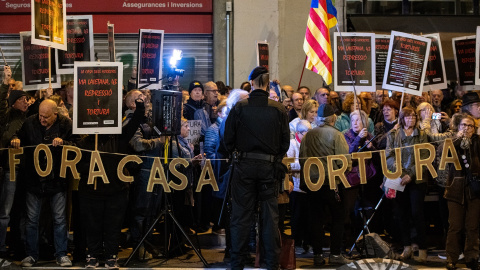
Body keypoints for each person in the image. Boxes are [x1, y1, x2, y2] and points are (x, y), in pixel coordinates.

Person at [224, 66, 290, 270]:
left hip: (244, 167)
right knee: (270, 218)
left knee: (241, 217)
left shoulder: (240, 107)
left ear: (251, 82)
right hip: (269, 167)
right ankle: (271, 264)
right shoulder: (278, 109)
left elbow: (227, 140)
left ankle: (237, 263)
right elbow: (285, 143)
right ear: (268, 83)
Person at [11, 99, 76, 267]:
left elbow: (78, 145)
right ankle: (31, 255)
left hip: (57, 180)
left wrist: (65, 143)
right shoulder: (30, 122)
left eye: (46, 117)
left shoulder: (66, 124)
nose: (42, 119)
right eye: (40, 115)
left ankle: (61, 254)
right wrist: (16, 139)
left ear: (56, 113)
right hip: (33, 179)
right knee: (32, 220)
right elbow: (17, 134)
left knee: (60, 219)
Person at [299, 104, 352, 266]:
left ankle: (318, 255)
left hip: (312, 183)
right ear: (333, 118)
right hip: (331, 183)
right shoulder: (336, 135)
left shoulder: (308, 135)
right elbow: (344, 162)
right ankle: (335, 254)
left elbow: (302, 158)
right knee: (338, 217)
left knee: (316, 219)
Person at [385, 106, 429, 263]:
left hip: (417, 179)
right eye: (408, 117)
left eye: (414, 117)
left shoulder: (422, 134)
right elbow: (389, 155)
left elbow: (424, 155)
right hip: (398, 178)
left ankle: (422, 248)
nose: (411, 120)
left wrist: (410, 174)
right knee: (401, 214)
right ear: (402, 119)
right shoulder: (393, 134)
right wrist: (401, 173)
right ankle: (406, 246)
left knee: (417, 213)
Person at [439, 113, 480, 270]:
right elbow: (443, 152)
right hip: (455, 189)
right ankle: (451, 258)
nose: (467, 128)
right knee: (455, 226)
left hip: (474, 190)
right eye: (464, 125)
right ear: (458, 127)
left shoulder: (477, 141)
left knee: (472, 226)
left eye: (470, 126)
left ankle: (472, 257)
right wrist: (458, 138)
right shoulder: (451, 141)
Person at [0, 66, 29, 267]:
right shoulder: (7, 116)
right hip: (7, 169)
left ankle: (16, 248)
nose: (26, 102)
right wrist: (4, 83)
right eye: (22, 99)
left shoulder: (29, 118)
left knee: (16, 213)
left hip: (22, 170)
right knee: (4, 213)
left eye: (27, 99)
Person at [287, 120, 312, 255]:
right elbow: (288, 164)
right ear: (298, 133)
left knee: (309, 217)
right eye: (305, 133)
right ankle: (296, 242)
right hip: (296, 186)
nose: (308, 136)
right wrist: (304, 164)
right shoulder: (292, 144)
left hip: (310, 185)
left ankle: (308, 242)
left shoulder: (311, 144)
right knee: (297, 217)